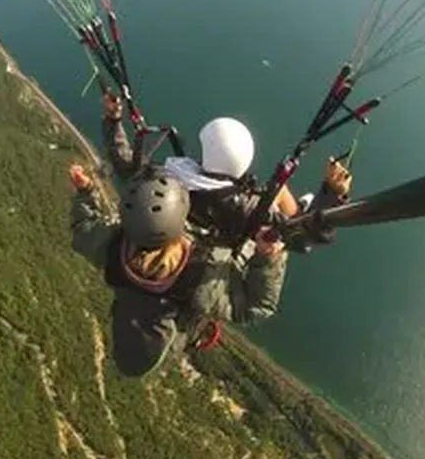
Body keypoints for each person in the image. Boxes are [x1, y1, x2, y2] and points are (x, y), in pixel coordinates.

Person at [67, 160, 295, 378]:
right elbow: (258, 306)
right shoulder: (203, 276)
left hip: (132, 320)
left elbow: (84, 229)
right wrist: (268, 257)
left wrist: (87, 193)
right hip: (173, 337)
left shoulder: (113, 245)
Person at [100, 92, 351, 242]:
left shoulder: (165, 182)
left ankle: (299, 202)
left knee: (281, 192)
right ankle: (303, 202)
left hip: (198, 224)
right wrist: (332, 193)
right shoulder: (248, 208)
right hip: (226, 230)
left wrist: (113, 120)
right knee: (281, 192)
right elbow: (303, 234)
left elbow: (125, 164)